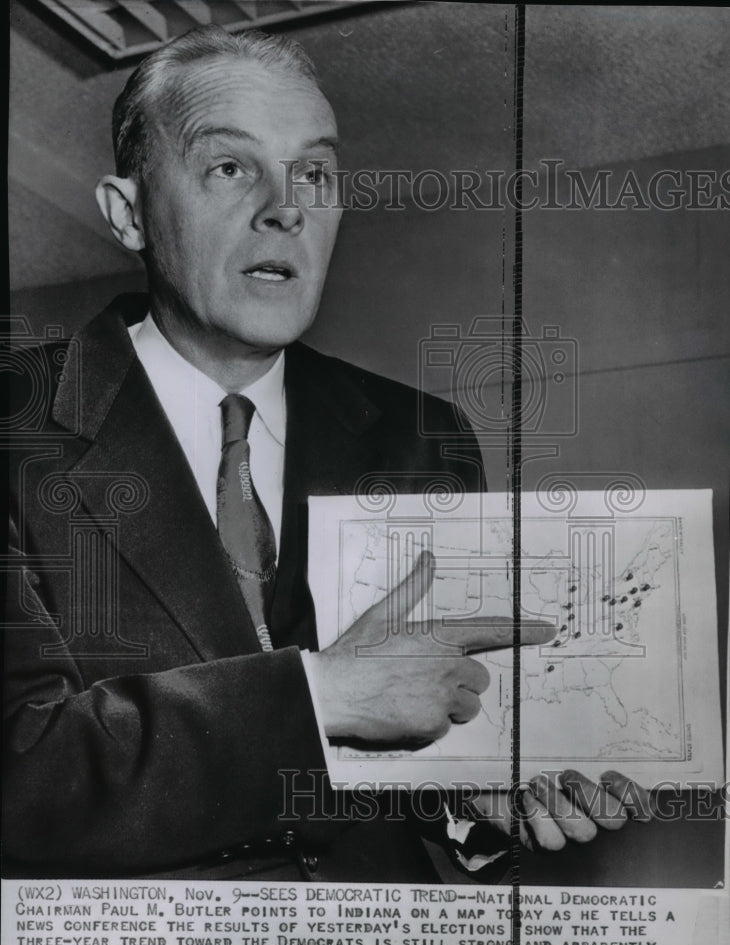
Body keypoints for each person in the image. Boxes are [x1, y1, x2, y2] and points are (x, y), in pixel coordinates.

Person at [3, 25, 649, 881]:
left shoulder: (420, 433)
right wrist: (324, 694)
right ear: (129, 214)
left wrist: (470, 793)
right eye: (231, 167)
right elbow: (21, 773)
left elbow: (426, 741)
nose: (287, 206)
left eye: (313, 171)